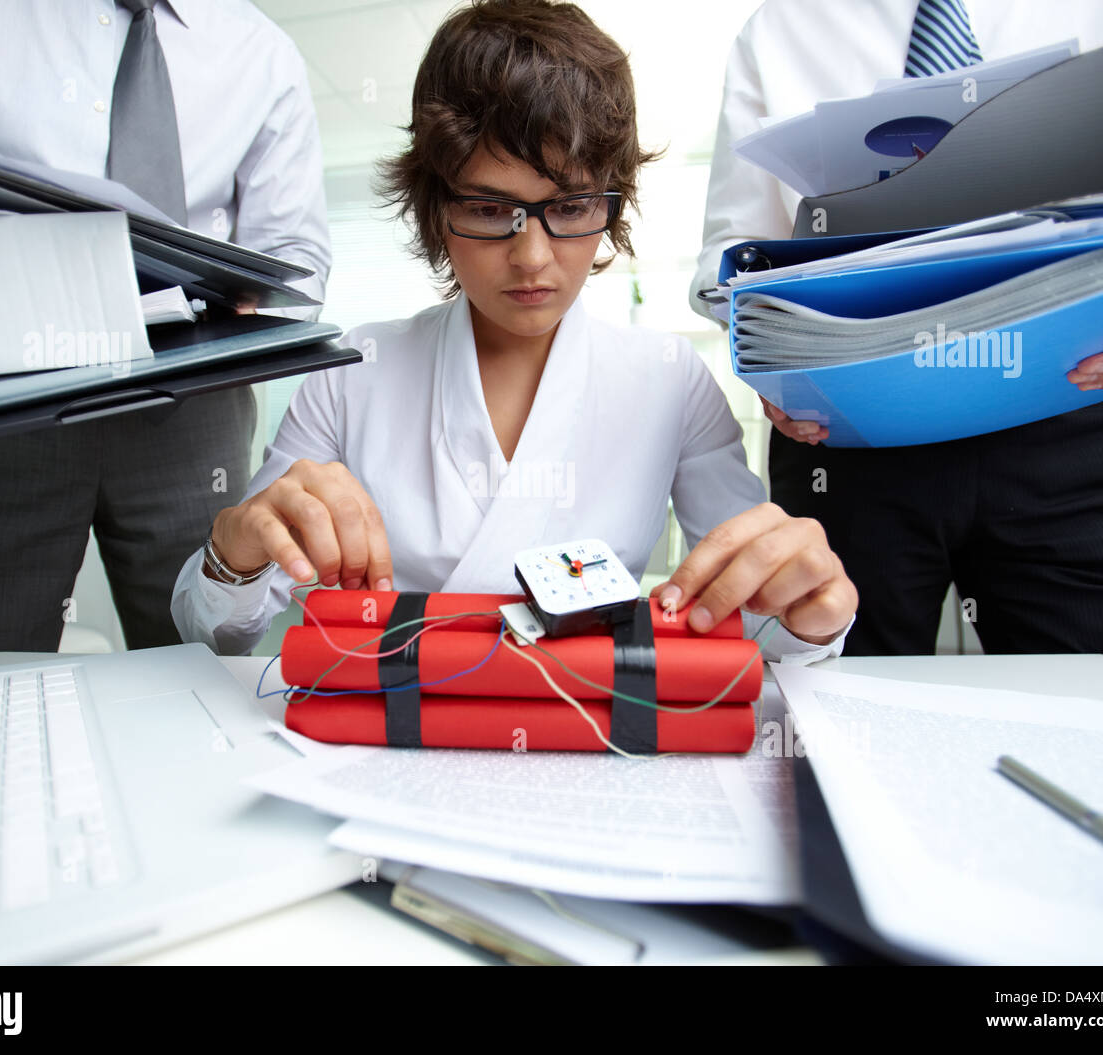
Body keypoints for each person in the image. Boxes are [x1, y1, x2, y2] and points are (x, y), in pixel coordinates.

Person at [171, 0, 857, 662]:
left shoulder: (672, 382)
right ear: (436, 209)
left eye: (571, 204)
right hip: (394, 738)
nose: (532, 256)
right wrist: (233, 551)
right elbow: (218, 633)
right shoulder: (352, 371)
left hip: (585, 734)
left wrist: (810, 616)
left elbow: (758, 626)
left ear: (609, 202)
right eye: (491, 207)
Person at [691, 0, 1103, 670]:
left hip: (1077, 411)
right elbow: (730, 258)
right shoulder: (778, 28)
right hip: (852, 438)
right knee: (830, 710)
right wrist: (770, 355)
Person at [0, 0, 331, 651]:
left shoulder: (264, 51)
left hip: (188, 403)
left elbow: (297, 260)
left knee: (202, 669)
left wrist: (245, 301)